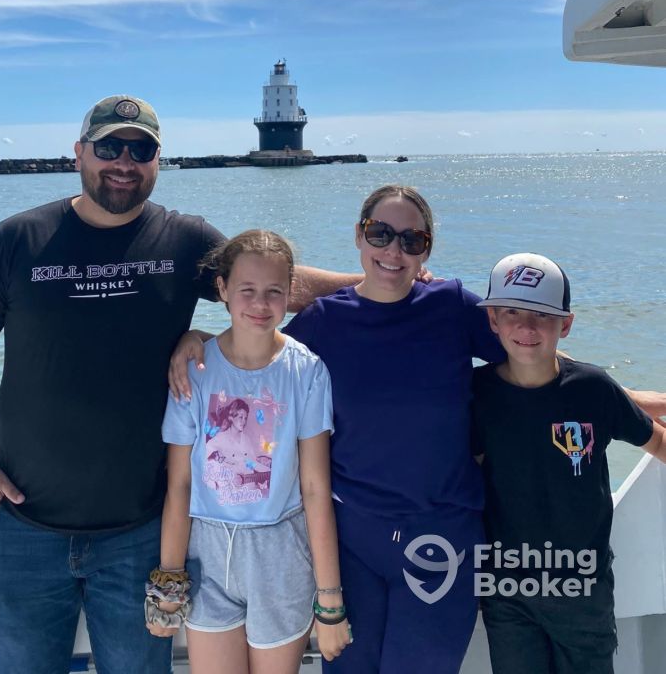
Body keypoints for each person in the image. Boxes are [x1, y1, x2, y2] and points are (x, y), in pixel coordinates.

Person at [170, 184, 666, 674]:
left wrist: (627, 399)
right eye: (380, 234)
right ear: (359, 236)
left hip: (443, 538)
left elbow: (536, 358)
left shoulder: (450, 307)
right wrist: (198, 339)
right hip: (351, 541)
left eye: (412, 240)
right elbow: (257, 358)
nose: (394, 251)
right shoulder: (324, 321)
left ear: (427, 249)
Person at [0, 94, 357, 674]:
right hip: (21, 529)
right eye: (109, 146)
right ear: (79, 152)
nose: (124, 161)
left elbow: (264, 281)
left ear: (158, 160)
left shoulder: (183, 240)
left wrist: (380, 280)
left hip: (140, 534)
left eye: (141, 150)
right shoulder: (18, 239)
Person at [146, 230, 351, 673]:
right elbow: (180, 485)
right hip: (205, 553)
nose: (260, 303)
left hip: (281, 552)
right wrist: (169, 580)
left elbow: (315, 489)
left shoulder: (307, 372)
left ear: (290, 292)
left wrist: (330, 601)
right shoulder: (193, 371)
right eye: (247, 290)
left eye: (274, 291)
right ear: (222, 289)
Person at [472, 252, 666, 674]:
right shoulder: (475, 393)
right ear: (492, 320)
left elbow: (655, 440)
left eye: (543, 315)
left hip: (583, 587)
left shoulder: (594, 389)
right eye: (512, 312)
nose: (527, 327)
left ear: (566, 325)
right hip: (506, 590)